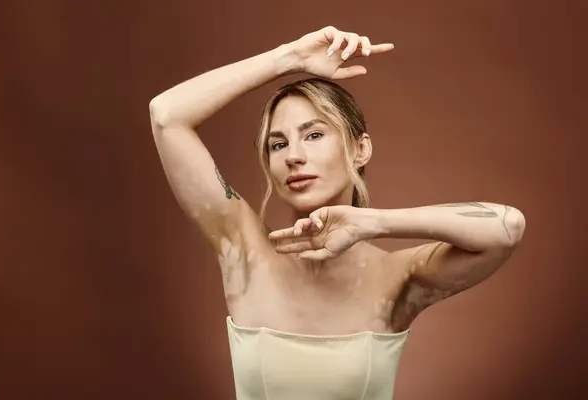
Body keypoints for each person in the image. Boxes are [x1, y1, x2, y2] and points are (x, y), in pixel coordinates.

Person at [149, 26, 526, 400]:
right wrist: (289, 58)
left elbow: (507, 226)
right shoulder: (244, 250)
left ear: (360, 150)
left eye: (314, 135)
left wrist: (374, 223)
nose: (294, 155)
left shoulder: (399, 278)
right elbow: (166, 115)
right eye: (278, 144)